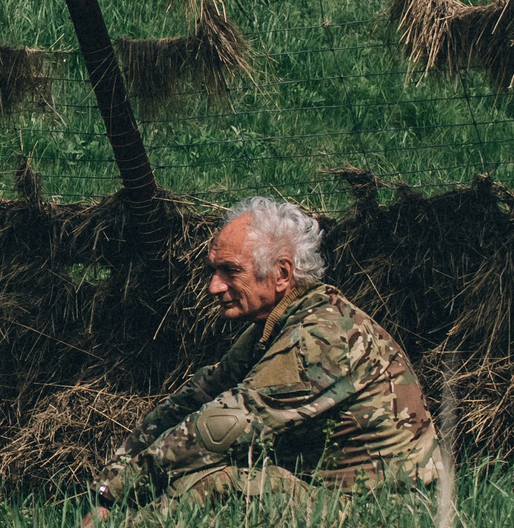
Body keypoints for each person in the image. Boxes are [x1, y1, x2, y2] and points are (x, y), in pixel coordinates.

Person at [97, 196, 438, 510]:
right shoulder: (279, 321)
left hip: (387, 505)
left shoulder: (319, 338)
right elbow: (196, 398)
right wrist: (111, 477)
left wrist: (118, 491)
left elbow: (218, 429)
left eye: (230, 271)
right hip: (342, 492)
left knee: (215, 482)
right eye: (212, 271)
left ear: (282, 273)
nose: (213, 286)